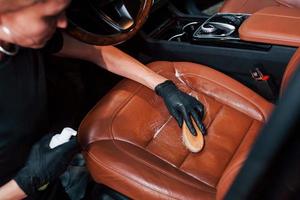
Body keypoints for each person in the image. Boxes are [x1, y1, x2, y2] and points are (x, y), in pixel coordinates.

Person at [0, 0, 206, 199]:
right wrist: (26, 183)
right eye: (51, 16)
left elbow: (94, 51)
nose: (64, 23)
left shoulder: (22, 41)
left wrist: (163, 85)